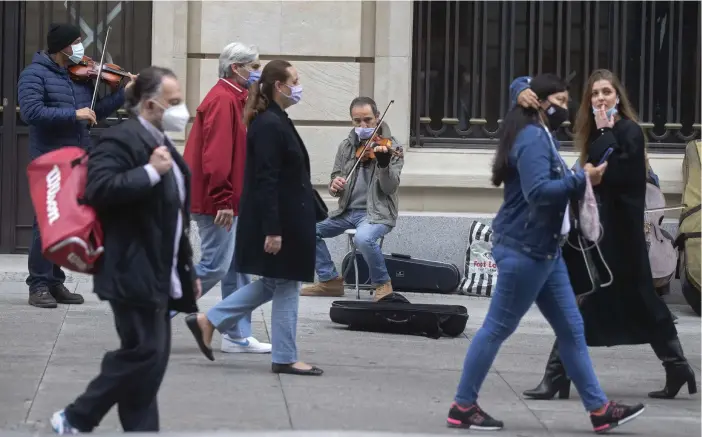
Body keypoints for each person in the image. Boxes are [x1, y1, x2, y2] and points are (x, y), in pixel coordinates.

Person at [446, 73, 645, 433]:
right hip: (525, 250)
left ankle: (600, 410)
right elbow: (539, 192)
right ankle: (462, 405)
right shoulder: (534, 139)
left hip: (544, 252)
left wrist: (578, 175)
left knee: (571, 329)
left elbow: (522, 86)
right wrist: (582, 179)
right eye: (561, 102)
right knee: (496, 328)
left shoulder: (540, 135)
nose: (566, 110)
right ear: (542, 103)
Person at [512, 69, 697, 401]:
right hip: (601, 235)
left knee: (627, 304)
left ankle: (559, 375)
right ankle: (674, 366)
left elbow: (623, 178)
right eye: (595, 93)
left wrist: (606, 137)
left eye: (606, 92)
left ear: (617, 97)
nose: (600, 98)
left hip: (623, 237)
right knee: (593, 303)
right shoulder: (595, 134)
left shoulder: (628, 132)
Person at [50, 66, 201, 434]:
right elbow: (99, 190)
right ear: (151, 105)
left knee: (153, 359)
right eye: (175, 103)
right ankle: (76, 416)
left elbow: (175, 217)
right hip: (130, 266)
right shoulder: (123, 139)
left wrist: (188, 271)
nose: (183, 110)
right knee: (144, 353)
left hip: (161, 270)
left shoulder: (161, 141)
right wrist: (148, 172)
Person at [184, 59, 324, 376]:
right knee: (286, 286)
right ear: (279, 86)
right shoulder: (269, 125)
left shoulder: (273, 120)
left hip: (288, 220)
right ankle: (286, 356)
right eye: (295, 80)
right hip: (283, 223)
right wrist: (273, 230)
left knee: (272, 285)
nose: (299, 86)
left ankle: (209, 320)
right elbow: (266, 181)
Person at [18, 23, 133, 309]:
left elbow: (95, 113)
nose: (82, 47)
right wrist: (73, 113)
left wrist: (124, 93)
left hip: (79, 156)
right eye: (77, 41)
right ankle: (39, 284)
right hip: (49, 157)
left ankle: (55, 282)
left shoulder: (80, 76)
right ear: (62, 46)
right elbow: (31, 113)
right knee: (45, 223)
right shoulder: (34, 74)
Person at [180, 42, 271, 354]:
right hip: (216, 201)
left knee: (236, 268)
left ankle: (236, 334)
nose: (257, 72)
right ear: (237, 67)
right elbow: (217, 157)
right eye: (254, 66)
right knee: (216, 266)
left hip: (225, 199)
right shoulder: (223, 99)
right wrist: (223, 200)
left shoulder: (233, 97)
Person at [300, 96, 404, 301]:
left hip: (376, 213)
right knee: (304, 229)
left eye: (368, 120)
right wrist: (334, 185)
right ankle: (329, 280)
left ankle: (383, 283)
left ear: (377, 117)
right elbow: (335, 181)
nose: (363, 125)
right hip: (347, 212)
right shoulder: (346, 146)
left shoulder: (391, 147)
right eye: (357, 121)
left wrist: (383, 165)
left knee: (363, 238)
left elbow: (390, 187)